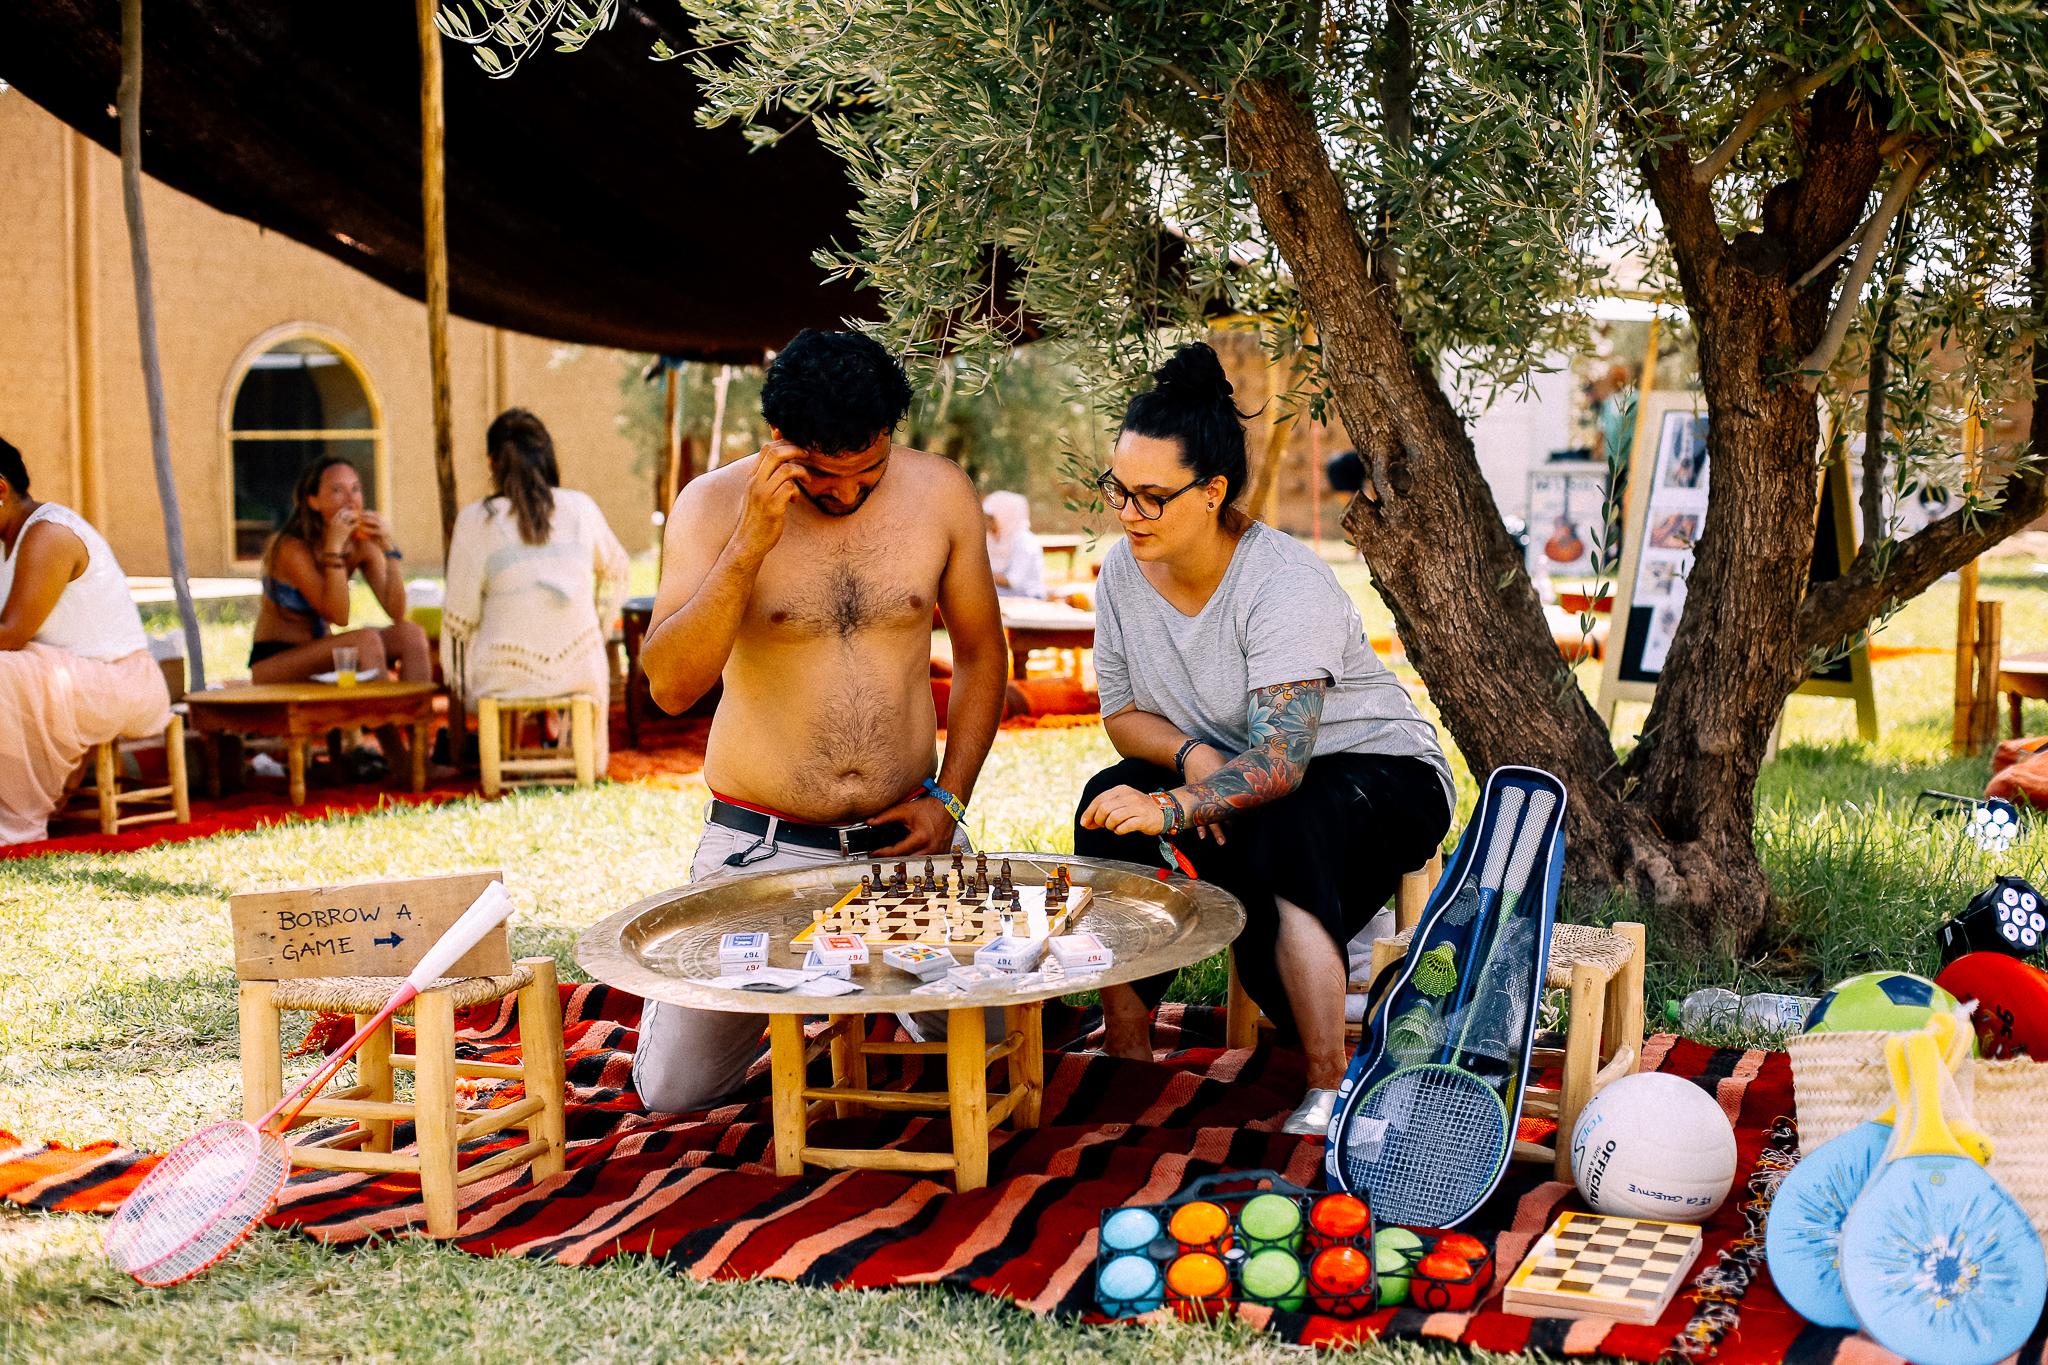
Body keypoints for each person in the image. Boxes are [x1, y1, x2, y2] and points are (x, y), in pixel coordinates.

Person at [1072, 343, 1454, 1134]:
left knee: (1288, 822)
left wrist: (1178, 807)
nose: (1127, 513)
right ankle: (1130, 1059)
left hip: (1374, 770)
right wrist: (1192, 763)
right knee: (1102, 804)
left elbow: (1283, 760)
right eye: (1118, 489)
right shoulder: (1120, 572)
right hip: (1237, 764)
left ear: (1212, 491)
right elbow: (1123, 715)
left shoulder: (1282, 581)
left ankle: (1326, 1082)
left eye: (1151, 496)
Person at [632, 329, 1007, 1112]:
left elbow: (981, 652)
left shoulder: (939, 493)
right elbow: (669, 686)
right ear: (780, 443)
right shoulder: (710, 506)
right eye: (824, 478)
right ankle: (758, 1003)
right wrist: (749, 545)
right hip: (758, 848)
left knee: (995, 1056)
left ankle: (876, 1000)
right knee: (674, 1093)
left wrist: (952, 800)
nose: (846, 495)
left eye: (867, 471)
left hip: (909, 839)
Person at [0, 438, 173, 844]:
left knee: (5, 671)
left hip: (118, 681)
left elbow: (10, 633)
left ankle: (14, 820)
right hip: (59, 674)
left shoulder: (49, 534)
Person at [441, 409, 630, 769]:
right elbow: (617, 570)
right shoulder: (580, 507)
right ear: (547, 456)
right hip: (580, 664)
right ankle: (571, 746)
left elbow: (461, 614)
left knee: (492, 631)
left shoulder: (476, 519)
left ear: (492, 462)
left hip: (503, 668)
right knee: (572, 635)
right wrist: (595, 625)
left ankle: (502, 752)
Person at [249, 457, 430, 688]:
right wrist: (333, 550)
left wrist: (388, 549)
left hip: (324, 650)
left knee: (410, 635)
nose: (350, 500)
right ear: (313, 501)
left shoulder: (361, 546)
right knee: (364, 641)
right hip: (276, 661)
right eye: (337, 490)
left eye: (355, 489)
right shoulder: (291, 548)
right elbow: (339, 617)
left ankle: (418, 721)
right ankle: (387, 722)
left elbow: (396, 612)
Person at [982, 490, 1048, 599]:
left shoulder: (1025, 542)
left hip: (1028, 599)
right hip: (1002, 597)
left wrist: (977, 575)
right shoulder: (994, 538)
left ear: (1006, 517)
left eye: (991, 519)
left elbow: (1012, 581)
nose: (987, 523)